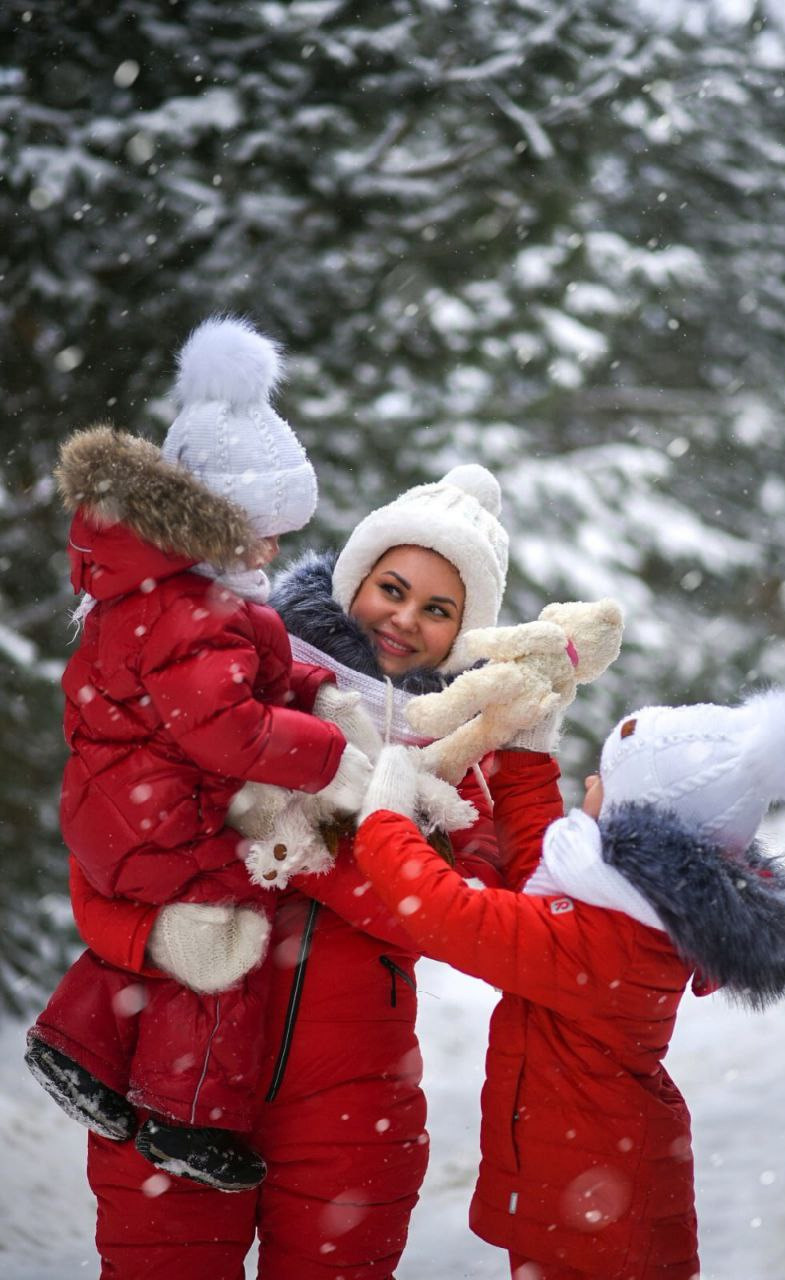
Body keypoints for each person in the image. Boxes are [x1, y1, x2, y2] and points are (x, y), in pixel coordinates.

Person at [52, 463, 511, 1277]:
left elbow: (444, 913)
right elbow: (105, 862)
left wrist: (297, 844)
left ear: (462, 635)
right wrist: (156, 940)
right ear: (351, 579)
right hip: (166, 1086)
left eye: (438, 610)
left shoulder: (460, 763)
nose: (403, 619)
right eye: (391, 587)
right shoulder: (225, 680)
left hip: (351, 1110)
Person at [26, 316, 374, 1191]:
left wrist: (304, 693)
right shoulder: (191, 609)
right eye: (263, 532)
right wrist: (328, 751)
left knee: (155, 939)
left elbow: (239, 684)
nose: (275, 551)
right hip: (159, 806)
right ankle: (187, 1120)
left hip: (120, 800)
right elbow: (226, 727)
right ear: (214, 523)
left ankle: (78, 1049)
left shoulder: (166, 592)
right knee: (224, 932)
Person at [353, 688, 785, 1280]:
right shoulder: (631, 911)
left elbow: (452, 915)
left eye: (604, 779)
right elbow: (541, 868)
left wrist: (384, 825)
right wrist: (526, 759)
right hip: (597, 1184)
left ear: (641, 819)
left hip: (593, 1203)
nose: (588, 784)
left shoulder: (606, 941)